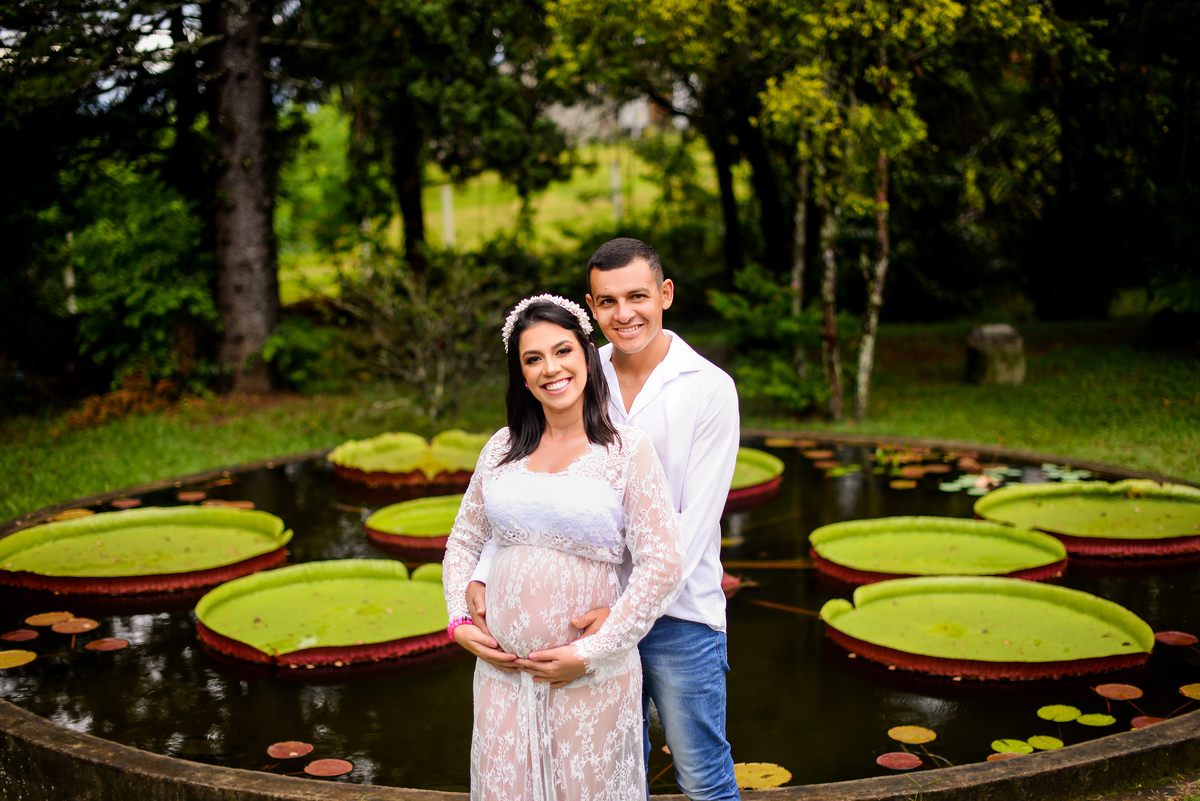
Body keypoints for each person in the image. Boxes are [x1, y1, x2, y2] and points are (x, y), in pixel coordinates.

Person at [464, 239, 742, 801]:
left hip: (679, 616)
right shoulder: (581, 371)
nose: (624, 314)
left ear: (664, 294)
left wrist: (618, 618)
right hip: (583, 616)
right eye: (608, 301)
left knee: (701, 774)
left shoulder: (709, 389)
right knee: (616, 774)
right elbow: (537, 488)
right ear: (591, 307)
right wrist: (487, 566)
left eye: (637, 296)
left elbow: (692, 525)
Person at [442, 293, 684, 801]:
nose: (551, 369)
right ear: (522, 376)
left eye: (562, 351)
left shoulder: (625, 450)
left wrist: (590, 652)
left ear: (587, 356)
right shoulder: (500, 449)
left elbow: (661, 565)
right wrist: (459, 622)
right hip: (499, 676)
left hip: (589, 677)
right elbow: (463, 541)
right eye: (533, 359)